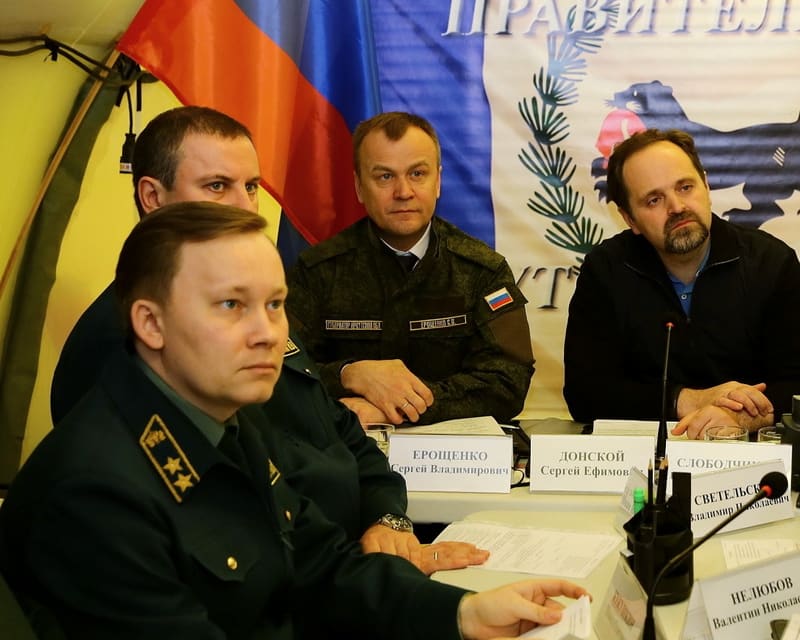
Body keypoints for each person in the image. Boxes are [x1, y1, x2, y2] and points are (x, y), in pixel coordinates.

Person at [0, 202, 589, 638]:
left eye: (275, 304)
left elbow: (321, 566)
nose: (267, 333)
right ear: (151, 324)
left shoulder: (228, 421)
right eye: (231, 305)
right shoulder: (96, 493)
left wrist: (463, 612)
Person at [49, 106, 484, 574]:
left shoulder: (251, 309)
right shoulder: (118, 340)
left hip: (343, 558)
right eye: (218, 186)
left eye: (252, 186)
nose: (245, 208)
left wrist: (387, 517)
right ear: (153, 197)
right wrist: (363, 578)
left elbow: (338, 429)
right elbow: (221, 528)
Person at [287, 111, 535, 426]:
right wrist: (349, 374)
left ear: (438, 182)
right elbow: (283, 372)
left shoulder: (483, 271)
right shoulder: (317, 271)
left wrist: (398, 410)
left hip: (454, 451)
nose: (403, 192)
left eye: (417, 173)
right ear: (359, 186)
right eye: (385, 177)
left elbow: (508, 381)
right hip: (348, 446)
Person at [563, 128, 800, 439]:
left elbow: (795, 383)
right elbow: (584, 395)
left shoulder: (771, 262)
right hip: (642, 455)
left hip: (750, 454)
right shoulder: (606, 270)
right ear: (630, 218)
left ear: (706, 185)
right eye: (654, 200)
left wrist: (740, 416)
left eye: (685, 187)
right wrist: (687, 400)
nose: (676, 207)